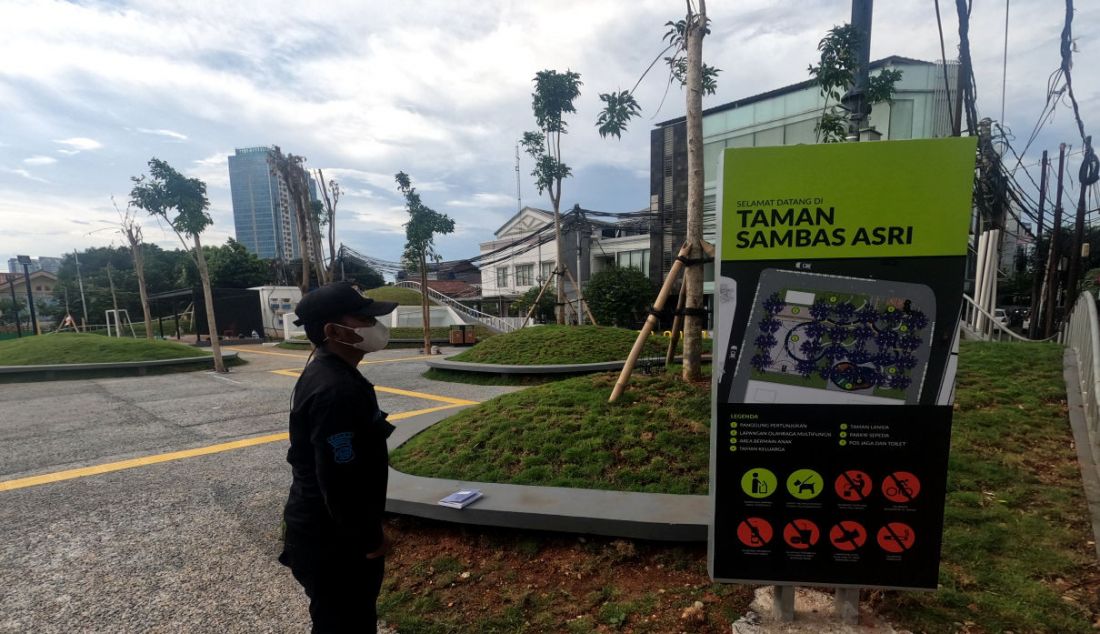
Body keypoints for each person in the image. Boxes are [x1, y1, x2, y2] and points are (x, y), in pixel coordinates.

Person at [278, 282, 398, 633]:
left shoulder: (331, 372)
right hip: (332, 541)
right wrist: (369, 539)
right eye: (363, 318)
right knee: (345, 624)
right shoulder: (336, 389)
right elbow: (339, 479)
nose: (375, 327)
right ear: (333, 331)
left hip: (325, 532)